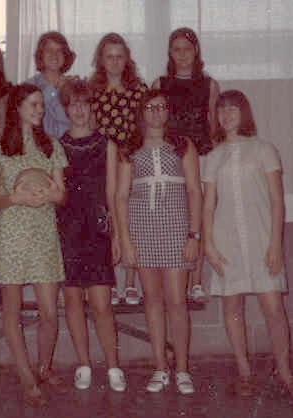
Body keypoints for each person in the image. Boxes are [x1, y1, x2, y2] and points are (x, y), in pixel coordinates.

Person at [202, 90, 293, 399]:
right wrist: (208, 244)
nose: (226, 114)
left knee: (273, 308)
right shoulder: (214, 156)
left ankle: (286, 372)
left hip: (262, 239)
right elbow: (208, 206)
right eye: (221, 110)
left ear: (244, 112)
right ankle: (244, 372)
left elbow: (277, 202)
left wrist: (275, 244)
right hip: (227, 243)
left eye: (232, 109)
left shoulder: (264, 150)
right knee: (232, 307)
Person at [0, 83, 67, 406]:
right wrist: (15, 197)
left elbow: (62, 193)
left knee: (48, 310)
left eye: (41, 106)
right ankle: (26, 375)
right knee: (12, 311)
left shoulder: (52, 146)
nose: (39, 110)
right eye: (32, 105)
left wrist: (51, 195)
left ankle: (44, 368)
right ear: (17, 107)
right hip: (11, 234)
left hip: (43, 232)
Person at [116, 90, 202, 395]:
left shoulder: (182, 146)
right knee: (151, 301)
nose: (156, 112)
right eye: (150, 107)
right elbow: (121, 196)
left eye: (161, 107)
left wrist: (194, 235)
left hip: (176, 228)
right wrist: (125, 241)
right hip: (143, 230)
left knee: (177, 302)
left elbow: (194, 192)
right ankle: (160, 368)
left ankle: (182, 369)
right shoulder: (130, 149)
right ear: (142, 113)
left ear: (168, 111)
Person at [56, 77, 126, 392]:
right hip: (67, 230)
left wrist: (118, 237)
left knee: (101, 303)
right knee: (72, 299)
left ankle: (113, 365)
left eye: (84, 103)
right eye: (73, 104)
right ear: (66, 109)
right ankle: (83, 363)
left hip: (97, 229)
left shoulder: (106, 144)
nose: (79, 110)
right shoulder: (57, 146)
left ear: (91, 106)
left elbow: (112, 196)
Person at [152, 27, 220, 303]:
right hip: (171, 157)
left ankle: (196, 279)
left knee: (199, 215)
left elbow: (213, 126)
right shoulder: (159, 84)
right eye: (176, 49)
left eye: (187, 49)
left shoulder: (209, 84)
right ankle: (176, 274)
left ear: (196, 52)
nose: (182, 55)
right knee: (177, 214)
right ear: (170, 53)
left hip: (201, 155)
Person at [89, 32, 148, 304]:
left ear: (127, 60)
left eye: (119, 56)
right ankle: (110, 281)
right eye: (109, 56)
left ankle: (131, 280)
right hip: (101, 163)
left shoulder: (139, 91)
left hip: (130, 160)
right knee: (108, 219)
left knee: (130, 217)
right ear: (101, 60)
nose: (114, 61)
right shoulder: (92, 91)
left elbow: (145, 128)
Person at [26, 31, 76, 140]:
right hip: (38, 149)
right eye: (49, 50)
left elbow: (73, 121)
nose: (54, 55)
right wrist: (54, 91)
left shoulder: (73, 87)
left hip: (70, 149)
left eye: (59, 50)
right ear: (41, 54)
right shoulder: (29, 86)